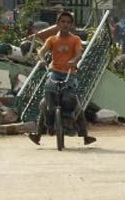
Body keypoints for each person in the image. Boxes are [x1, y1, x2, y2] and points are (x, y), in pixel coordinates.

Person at [29, 11, 96, 146]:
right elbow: (41, 51)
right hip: (54, 72)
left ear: (71, 25)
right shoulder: (52, 39)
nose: (65, 24)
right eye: (62, 22)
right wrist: (42, 60)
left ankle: (84, 134)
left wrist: (74, 61)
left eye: (68, 22)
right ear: (58, 24)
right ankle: (38, 133)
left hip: (70, 74)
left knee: (74, 102)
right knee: (45, 101)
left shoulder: (75, 39)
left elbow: (79, 54)